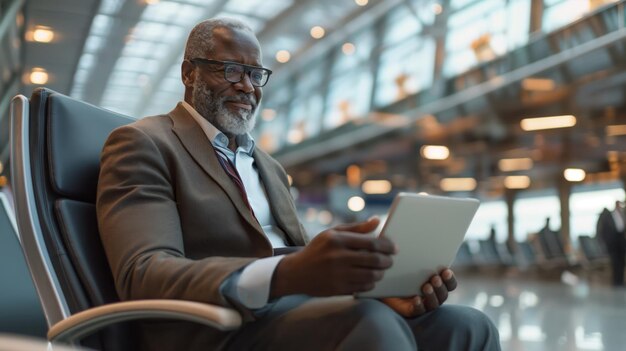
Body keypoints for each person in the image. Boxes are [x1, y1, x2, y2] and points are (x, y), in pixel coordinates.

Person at [96, 18, 500, 351]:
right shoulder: (145, 143)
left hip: (296, 312)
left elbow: (304, 265)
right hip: (218, 328)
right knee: (368, 325)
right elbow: (144, 272)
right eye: (231, 70)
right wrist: (284, 274)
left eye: (256, 74)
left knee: (466, 327)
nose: (248, 87)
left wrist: (375, 287)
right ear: (189, 72)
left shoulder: (267, 166)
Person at [596, 201, 626, 286]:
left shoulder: (622, 214)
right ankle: (616, 282)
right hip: (613, 241)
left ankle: (620, 281)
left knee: (621, 261)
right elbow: (604, 230)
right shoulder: (609, 216)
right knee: (615, 262)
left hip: (621, 240)